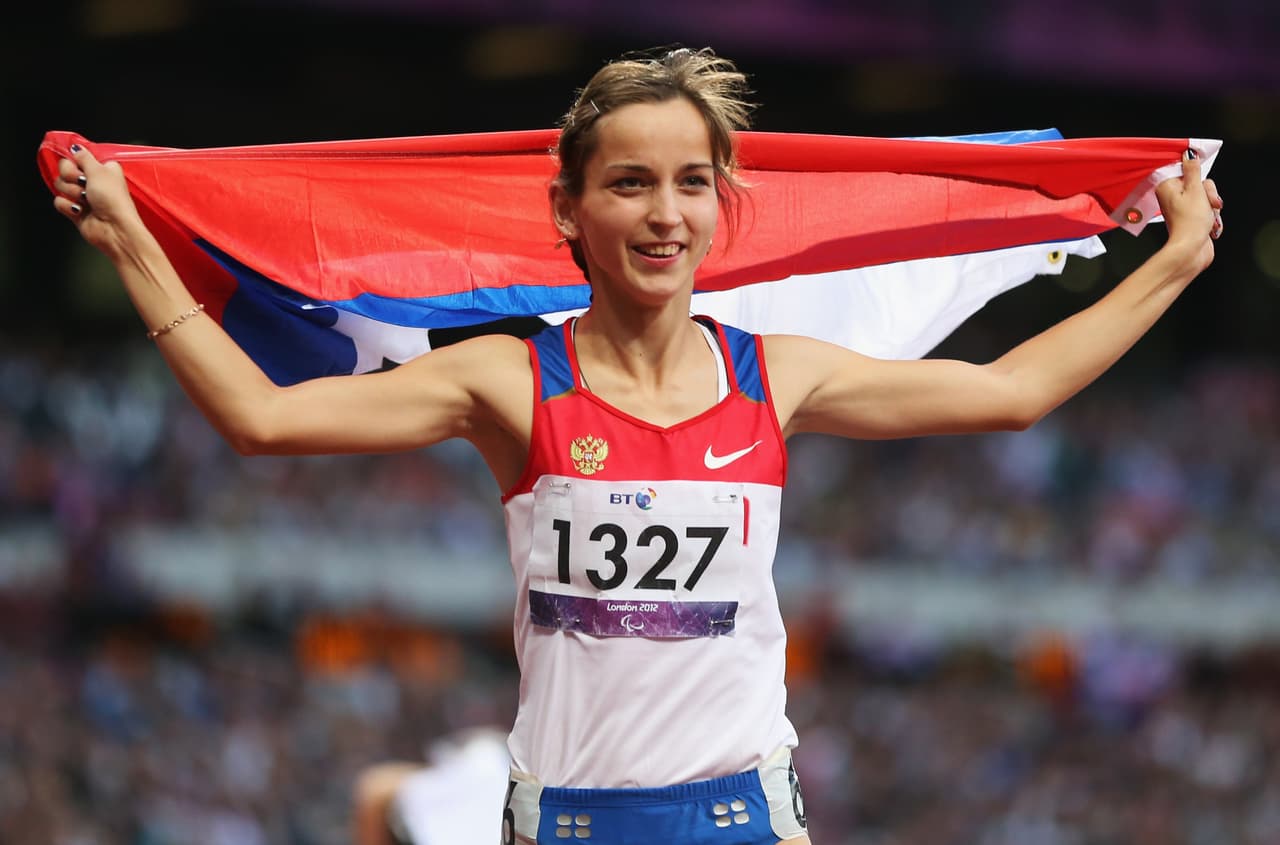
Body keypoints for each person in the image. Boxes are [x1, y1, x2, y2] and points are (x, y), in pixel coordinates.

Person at [52, 46, 1221, 845]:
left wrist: (1170, 263)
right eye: (628, 183)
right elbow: (261, 419)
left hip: (741, 813)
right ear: (568, 210)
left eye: (689, 184)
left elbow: (1011, 390)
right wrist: (136, 251)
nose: (664, 212)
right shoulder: (508, 381)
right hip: (566, 816)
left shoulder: (777, 373)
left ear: (720, 207)